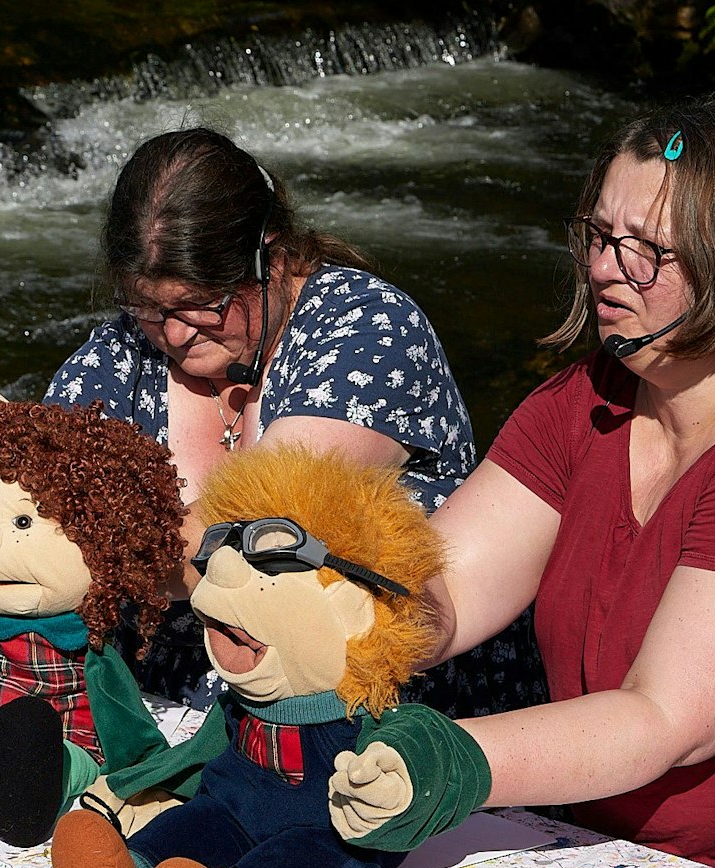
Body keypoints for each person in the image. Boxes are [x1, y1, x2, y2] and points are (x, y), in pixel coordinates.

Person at [345, 97, 715, 868]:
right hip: (584, 848)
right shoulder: (589, 398)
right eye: (600, 236)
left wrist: (441, 759)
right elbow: (444, 592)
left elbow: (663, 717)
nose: (605, 267)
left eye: (646, 250)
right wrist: (316, 614)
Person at [44, 126, 541, 717]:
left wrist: (82, 547)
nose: (174, 334)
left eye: (202, 303)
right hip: (169, 704)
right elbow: (41, 495)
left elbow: (252, 525)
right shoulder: (123, 353)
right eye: (149, 307)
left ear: (271, 257)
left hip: (371, 711)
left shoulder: (368, 329)